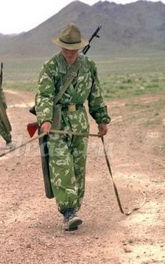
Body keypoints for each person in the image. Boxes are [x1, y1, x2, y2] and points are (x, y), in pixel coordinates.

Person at [34, 24, 111, 231]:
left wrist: (102, 119)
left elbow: (95, 94)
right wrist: (45, 119)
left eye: (73, 49)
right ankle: (68, 212)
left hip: (79, 122)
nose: (69, 53)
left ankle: (74, 208)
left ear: (79, 47)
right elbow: (44, 95)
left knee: (77, 167)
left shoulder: (89, 65)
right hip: (57, 123)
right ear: (61, 47)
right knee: (61, 165)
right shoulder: (50, 66)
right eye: (66, 49)